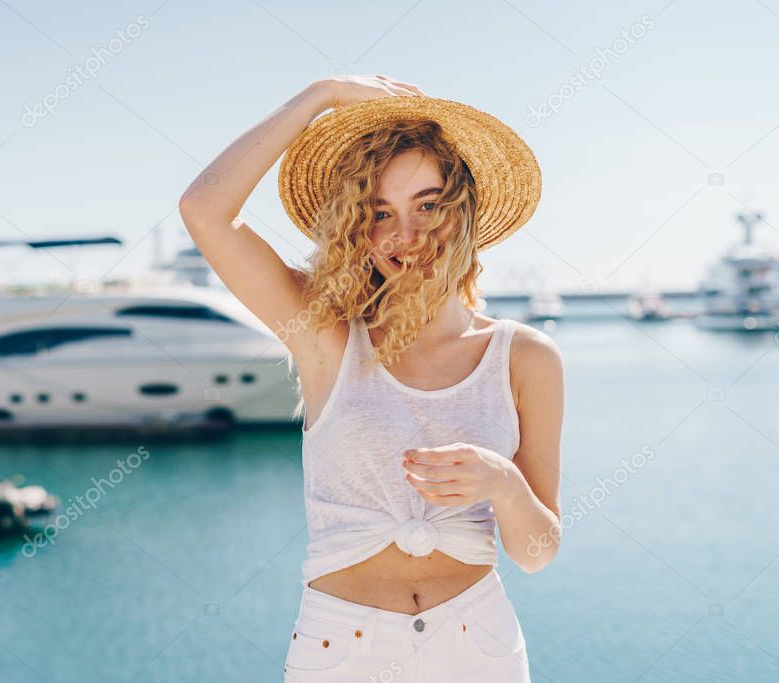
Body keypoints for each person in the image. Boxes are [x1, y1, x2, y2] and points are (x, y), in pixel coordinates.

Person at [179, 75, 563, 682]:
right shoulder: (324, 331)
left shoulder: (524, 357)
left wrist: (505, 485)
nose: (404, 236)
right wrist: (318, 96)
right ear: (357, 225)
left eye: (428, 206)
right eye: (380, 211)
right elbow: (205, 210)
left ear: (465, 213)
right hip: (342, 649)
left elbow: (537, 554)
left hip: (479, 645)